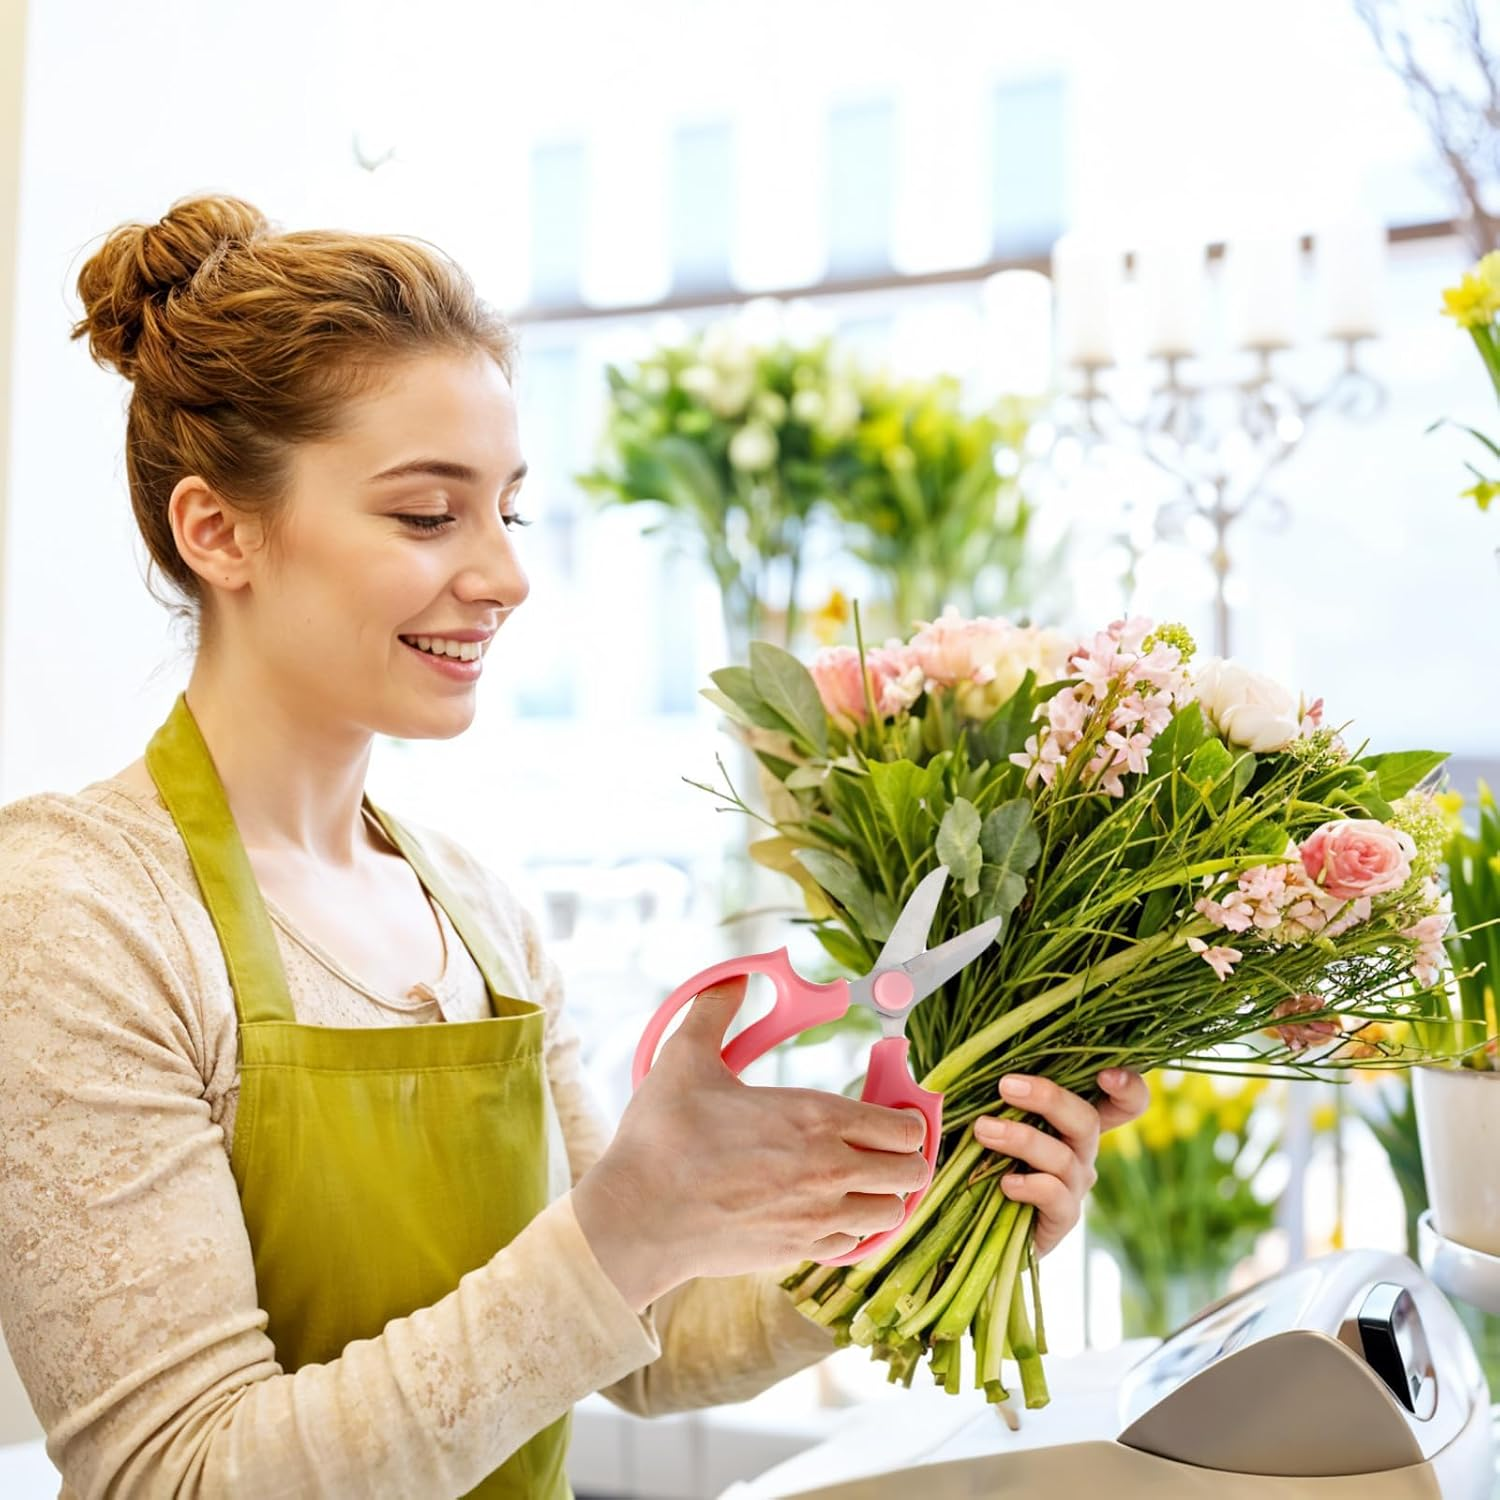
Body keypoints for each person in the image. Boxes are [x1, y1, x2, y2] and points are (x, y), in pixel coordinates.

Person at [0, 194, 1150, 1498]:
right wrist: (622, 1231)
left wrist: (935, 1207)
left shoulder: (475, 910)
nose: (505, 575)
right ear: (218, 531)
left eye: (509, 511)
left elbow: (646, 1339)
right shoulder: (78, 915)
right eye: (427, 515)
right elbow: (180, 1477)